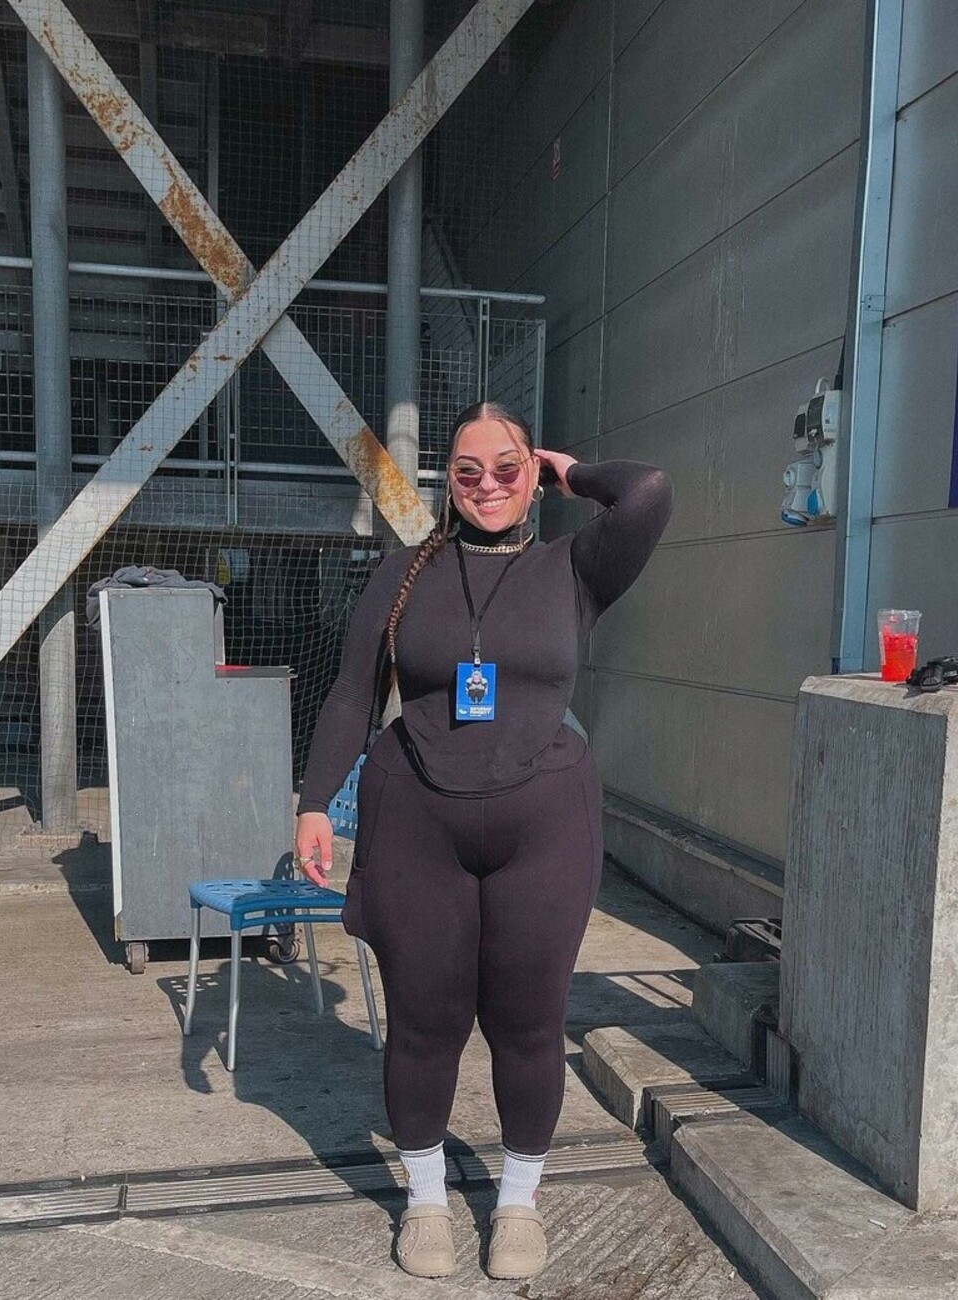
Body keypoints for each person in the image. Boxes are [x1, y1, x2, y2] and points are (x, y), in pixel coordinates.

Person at [295, 400, 672, 1280]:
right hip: (414, 822)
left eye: (507, 469)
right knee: (424, 1024)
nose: (489, 485)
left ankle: (517, 1203)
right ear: (448, 483)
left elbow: (649, 493)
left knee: (527, 1023)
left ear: (532, 475)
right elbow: (353, 693)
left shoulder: (575, 566)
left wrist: (567, 469)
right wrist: (314, 803)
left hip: (544, 825)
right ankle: (426, 1199)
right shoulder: (403, 574)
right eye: (469, 472)